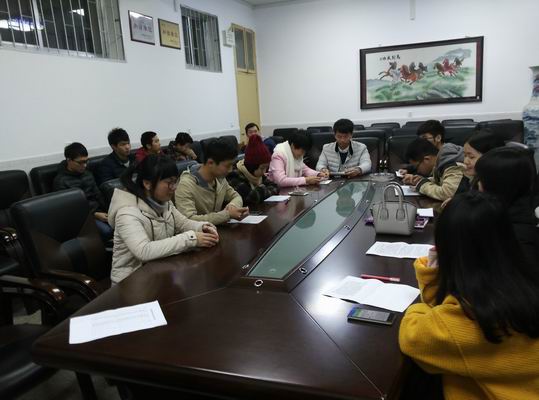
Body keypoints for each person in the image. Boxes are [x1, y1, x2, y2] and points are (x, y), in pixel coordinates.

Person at [399, 191, 539, 400]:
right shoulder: (524, 287)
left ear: (448, 250)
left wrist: (419, 304)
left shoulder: (467, 319)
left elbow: (412, 336)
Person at [107, 155, 219, 284]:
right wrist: (191, 238)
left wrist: (202, 227)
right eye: (169, 182)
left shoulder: (163, 202)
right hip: (130, 283)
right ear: (147, 183)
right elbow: (143, 251)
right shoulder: (127, 213)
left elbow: (183, 223)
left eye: (175, 181)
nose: (174, 187)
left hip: (159, 274)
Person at [475, 146, 539, 267]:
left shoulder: (517, 235)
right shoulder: (506, 210)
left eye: (482, 179)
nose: (478, 184)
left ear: (498, 185)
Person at [175, 138, 249, 225]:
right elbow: (188, 220)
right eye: (227, 166)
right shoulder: (186, 185)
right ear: (210, 163)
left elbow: (236, 196)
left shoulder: (219, 178)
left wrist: (232, 206)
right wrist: (226, 215)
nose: (230, 170)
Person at [53, 142, 113, 242]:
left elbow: (98, 195)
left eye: (86, 161)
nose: (84, 165)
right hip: (82, 218)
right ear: (69, 160)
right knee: (107, 231)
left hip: (99, 211)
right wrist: (94, 214)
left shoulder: (88, 174)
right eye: (80, 162)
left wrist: (110, 210)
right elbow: (70, 209)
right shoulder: (61, 181)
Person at [402, 138, 467, 201]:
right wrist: (422, 180)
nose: (418, 171)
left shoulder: (453, 165)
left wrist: (422, 185)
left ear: (427, 159)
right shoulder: (441, 163)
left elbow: (446, 193)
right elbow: (442, 181)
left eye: (417, 167)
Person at [227, 134, 279, 205]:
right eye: (262, 168)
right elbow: (253, 197)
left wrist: (261, 190)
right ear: (252, 166)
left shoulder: (258, 175)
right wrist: (265, 188)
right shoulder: (234, 175)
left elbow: (275, 186)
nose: (264, 171)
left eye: (266, 167)